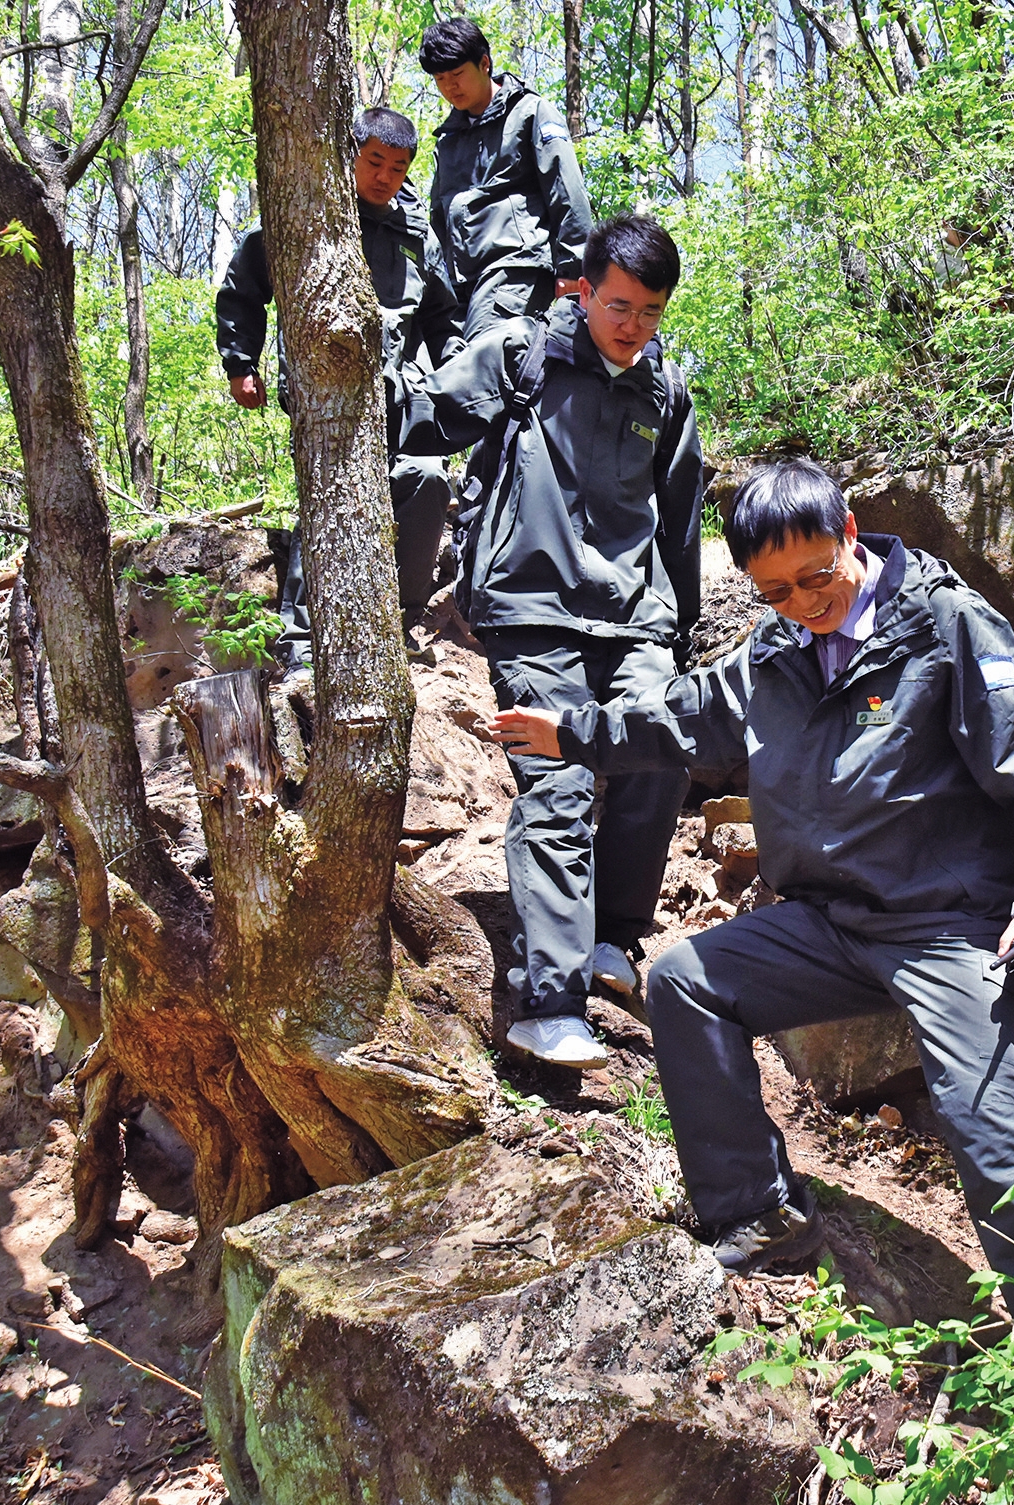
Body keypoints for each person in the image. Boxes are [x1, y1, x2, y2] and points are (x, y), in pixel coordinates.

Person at [493, 459, 1014, 1322]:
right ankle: (759, 1210)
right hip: (828, 921)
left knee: (989, 1126)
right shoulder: (776, 650)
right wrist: (571, 733)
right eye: (775, 590)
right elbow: (683, 716)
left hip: (948, 925)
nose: (803, 602)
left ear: (849, 532)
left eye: (815, 576)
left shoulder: (943, 625)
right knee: (682, 982)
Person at [391, 214, 702, 1072]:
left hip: (634, 613)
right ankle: (549, 1002)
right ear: (584, 288)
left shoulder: (666, 392)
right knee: (560, 778)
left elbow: (678, 521)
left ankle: (614, 940)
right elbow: (421, 419)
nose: (633, 326)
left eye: (650, 310)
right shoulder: (520, 358)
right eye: (619, 305)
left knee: (658, 749)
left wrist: (680, 624)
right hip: (531, 609)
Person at [214, 105, 457, 670]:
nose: (384, 177)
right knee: (335, 498)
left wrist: (452, 381)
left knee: (425, 481)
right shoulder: (308, 217)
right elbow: (243, 290)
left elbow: (444, 317)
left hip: (404, 397)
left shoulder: (417, 233)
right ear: (350, 155)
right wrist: (239, 360)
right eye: (374, 162)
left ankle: (397, 624)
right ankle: (302, 643)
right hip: (324, 392)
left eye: (397, 169)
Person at [417, 16, 594, 343]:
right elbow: (438, 220)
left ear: (484, 63)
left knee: (484, 360)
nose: (449, 87)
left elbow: (567, 193)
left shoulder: (530, 112)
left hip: (515, 269)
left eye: (457, 74)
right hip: (460, 286)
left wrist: (573, 270)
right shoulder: (448, 140)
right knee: (447, 369)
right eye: (440, 79)